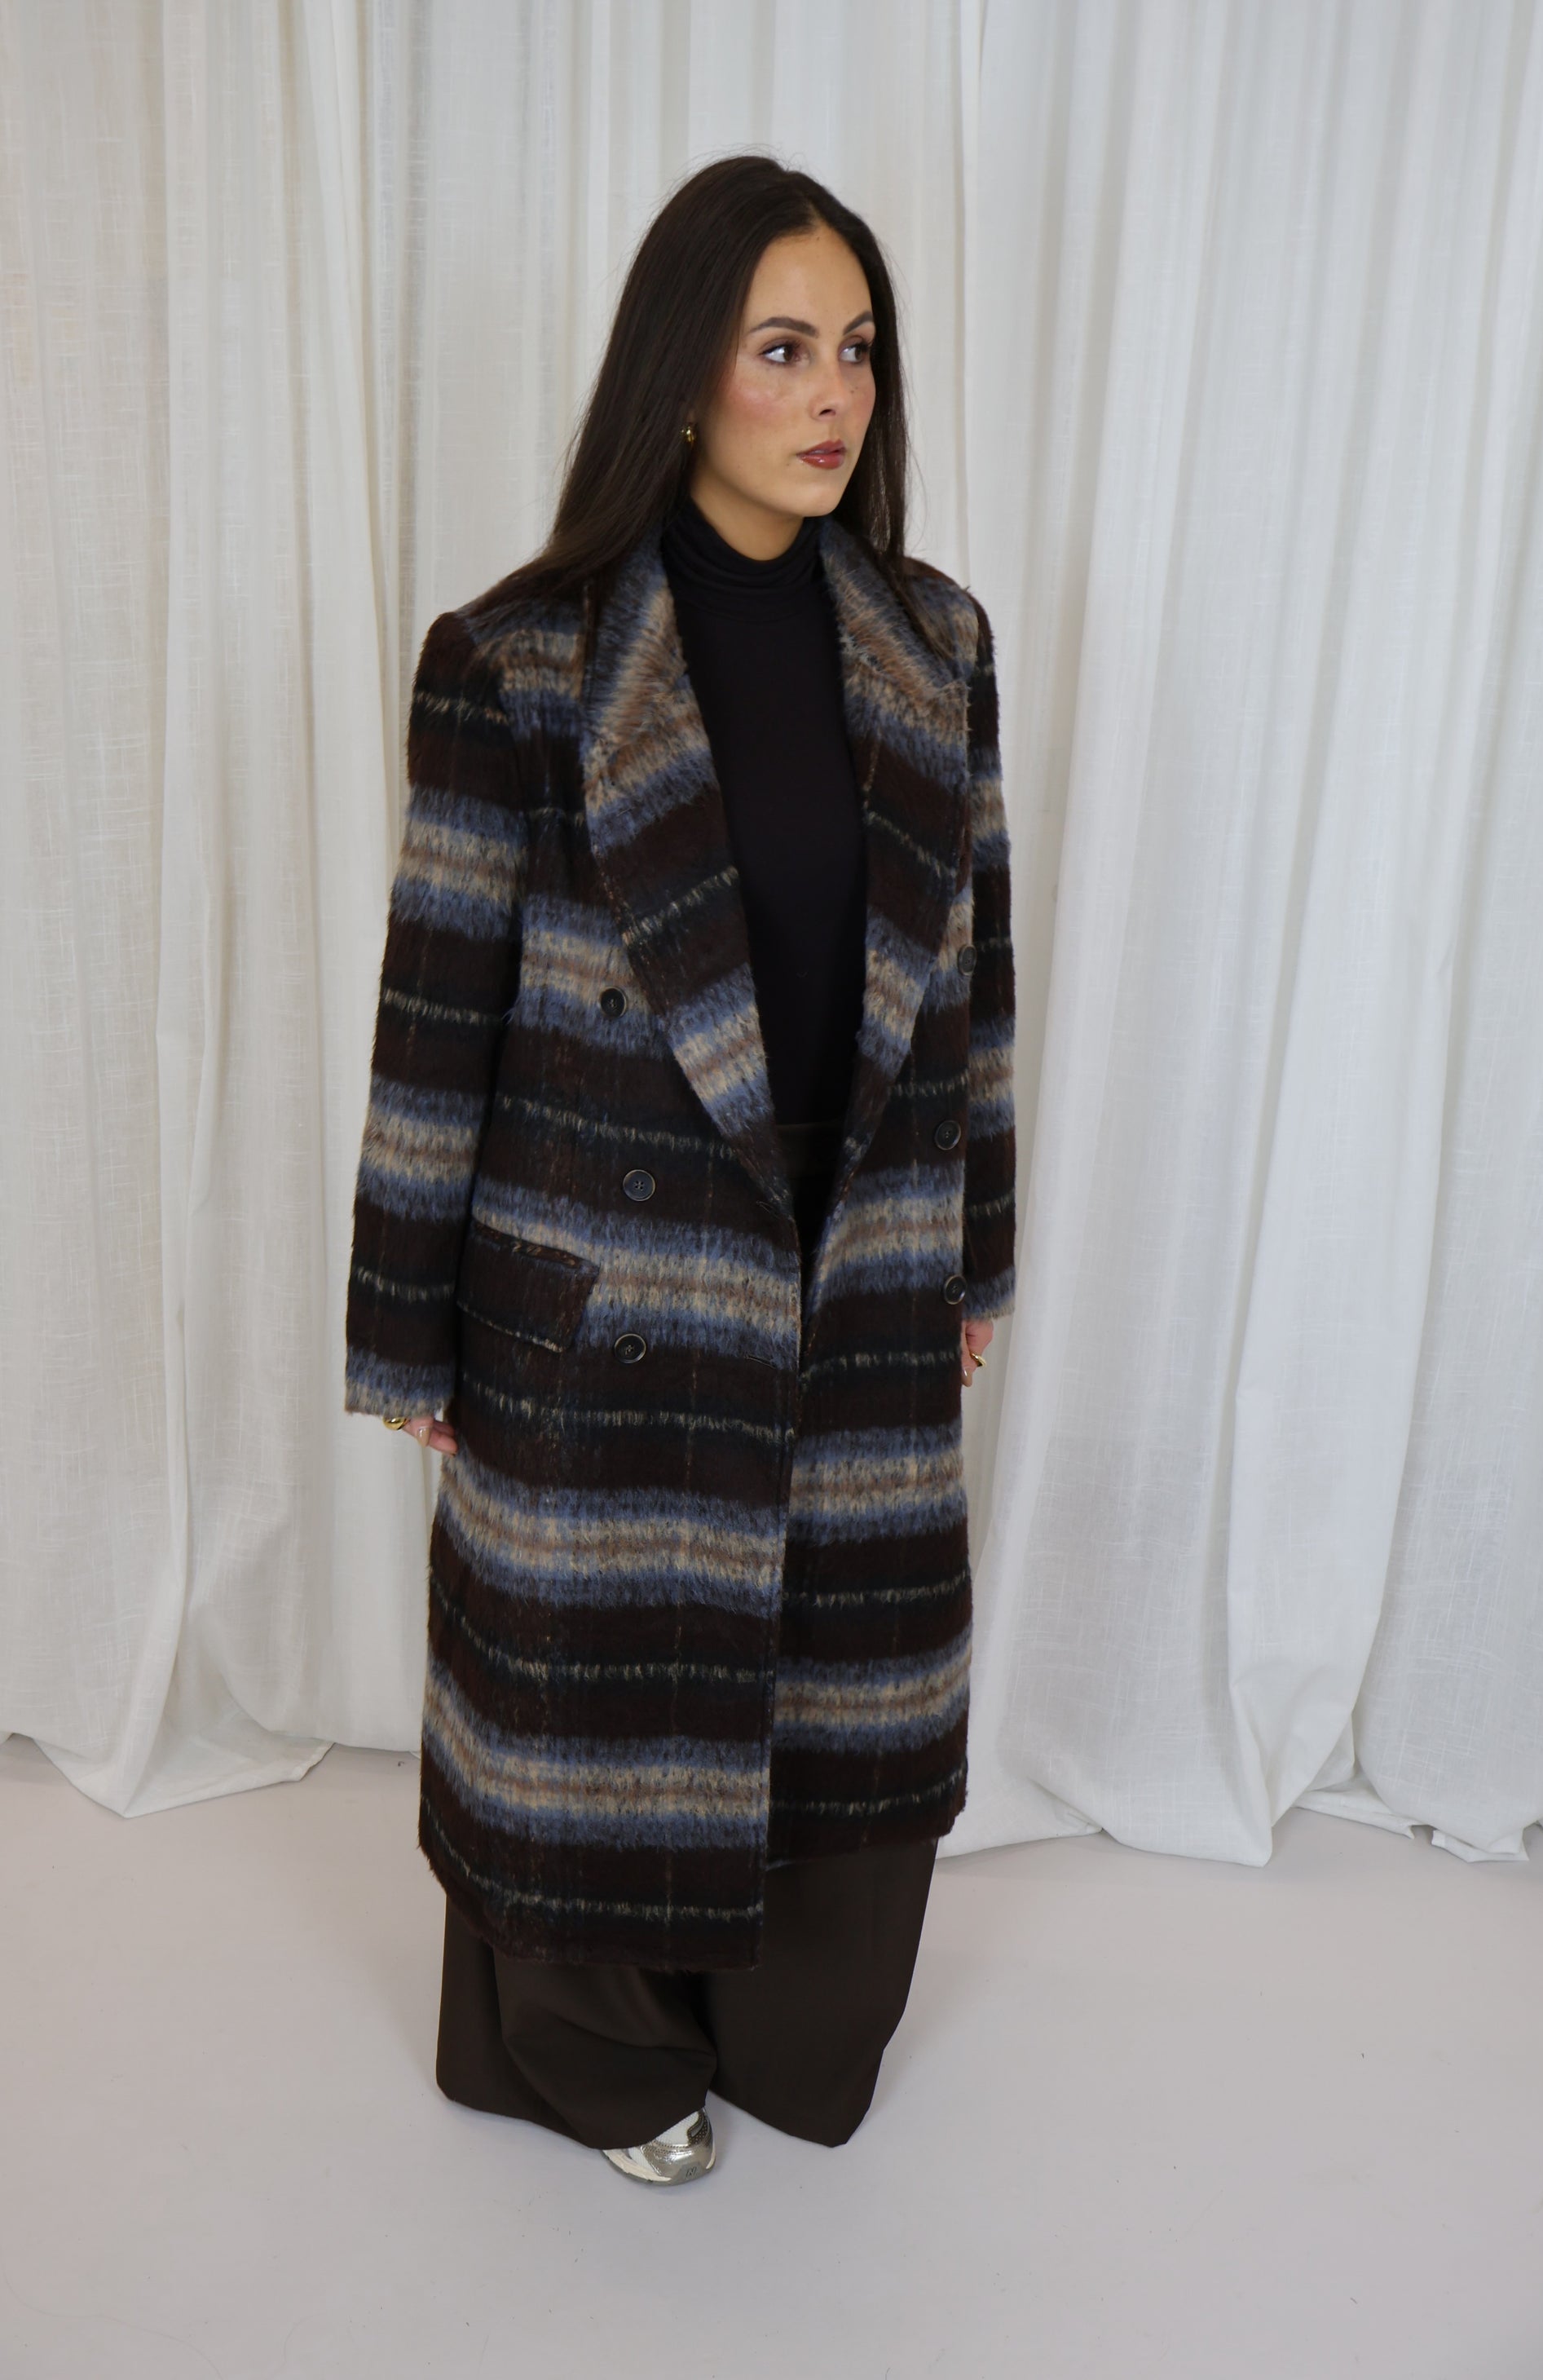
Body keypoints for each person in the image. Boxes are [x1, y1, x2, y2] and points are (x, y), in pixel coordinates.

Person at [343, 153, 1016, 2186]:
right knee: (598, 1694)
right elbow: (435, 1015)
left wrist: (972, 1256)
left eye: (857, 350)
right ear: (680, 371)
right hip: (608, 1274)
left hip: (858, 1252)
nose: (834, 396)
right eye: (780, 349)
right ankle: (598, 2048)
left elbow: (971, 988)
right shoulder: (521, 663)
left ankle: (788, 2023)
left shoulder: (934, 641)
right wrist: (412, 1330)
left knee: (844, 1674)